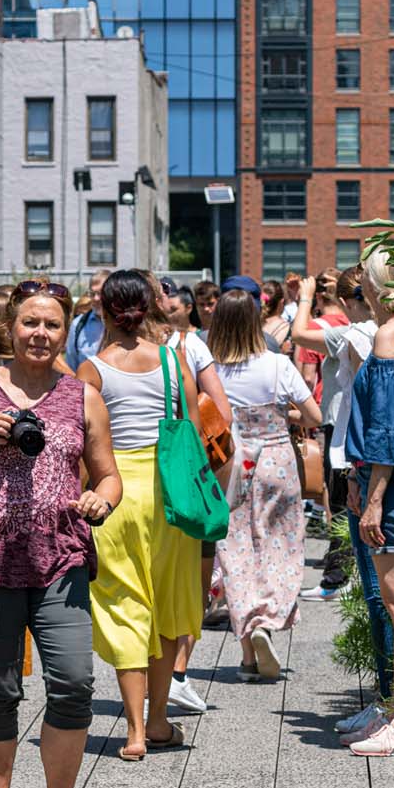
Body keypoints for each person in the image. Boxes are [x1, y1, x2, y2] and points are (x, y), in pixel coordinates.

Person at [0, 282, 122, 788]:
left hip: (61, 560)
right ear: (10, 326)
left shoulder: (82, 395)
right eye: (30, 322)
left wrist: (103, 499)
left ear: (67, 330)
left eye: (52, 325)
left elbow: (107, 474)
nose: (40, 334)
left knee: (75, 682)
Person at [79, 269, 204, 759]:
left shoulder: (92, 369)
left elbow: (82, 441)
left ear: (104, 311)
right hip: (169, 492)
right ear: (151, 306)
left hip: (114, 494)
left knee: (126, 603)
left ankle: (131, 732)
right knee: (170, 603)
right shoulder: (174, 363)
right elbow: (193, 429)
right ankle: (158, 721)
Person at [207, 289, 322, 679]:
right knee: (280, 546)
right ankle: (267, 620)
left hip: (229, 463)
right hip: (276, 460)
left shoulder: (211, 370)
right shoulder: (277, 364)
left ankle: (247, 650)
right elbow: (313, 415)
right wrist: (279, 413)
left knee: (236, 552)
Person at [341, 246, 394, 757]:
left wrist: (373, 496)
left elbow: (391, 430)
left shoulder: (390, 333)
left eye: (366, 280)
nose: (362, 289)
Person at [158, 275, 233, 713]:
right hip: (188, 472)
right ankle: (178, 673)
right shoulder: (190, 347)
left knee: (156, 577)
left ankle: (163, 675)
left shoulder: (112, 350)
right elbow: (221, 413)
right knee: (194, 575)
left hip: (139, 475)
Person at [292, 270, 371, 600]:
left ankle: (337, 578)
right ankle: (353, 575)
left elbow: (298, 333)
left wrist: (305, 297)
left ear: (343, 301)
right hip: (370, 431)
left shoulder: (347, 333)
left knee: (341, 506)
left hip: (344, 429)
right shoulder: (387, 330)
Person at [66, 270, 108, 371]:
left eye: (101, 293)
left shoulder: (122, 324)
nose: (96, 298)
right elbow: (71, 367)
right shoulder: (78, 325)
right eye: (92, 294)